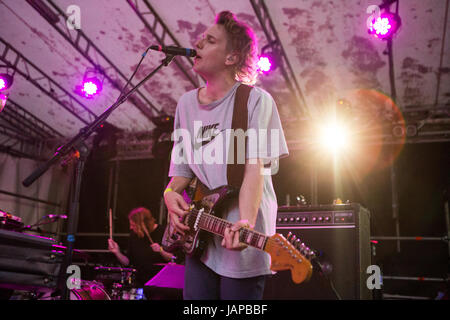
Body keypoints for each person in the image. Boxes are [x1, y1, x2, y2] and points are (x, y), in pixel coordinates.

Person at [163, 11, 289, 300]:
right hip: (199, 234)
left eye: (209, 40)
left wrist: (245, 221)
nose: (198, 42)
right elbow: (181, 167)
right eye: (200, 38)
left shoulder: (256, 100)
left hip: (241, 232)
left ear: (231, 58)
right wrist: (170, 194)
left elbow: (255, 169)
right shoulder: (185, 103)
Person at [108, 207, 179, 299]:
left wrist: (161, 250)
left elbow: (174, 259)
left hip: (161, 287)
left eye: (133, 225)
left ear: (143, 224)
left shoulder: (164, 232)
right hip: (141, 285)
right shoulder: (134, 235)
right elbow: (128, 262)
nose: (131, 227)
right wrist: (117, 252)